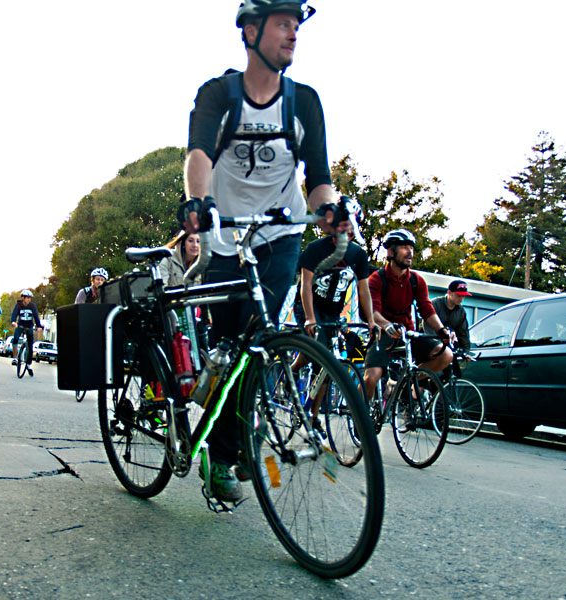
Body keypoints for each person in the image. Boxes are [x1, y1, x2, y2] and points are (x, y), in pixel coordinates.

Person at [181, 0, 348, 502]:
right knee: (228, 347)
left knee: (262, 337)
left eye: (297, 27)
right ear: (251, 32)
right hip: (223, 236)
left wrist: (331, 212)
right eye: (283, 25)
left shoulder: (305, 102)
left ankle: (242, 441)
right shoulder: (219, 94)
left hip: (280, 234)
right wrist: (198, 202)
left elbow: (318, 180)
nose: (293, 35)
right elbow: (199, 155)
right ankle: (216, 447)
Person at [295, 230, 376, 433]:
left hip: (332, 312)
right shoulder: (316, 248)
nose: (347, 232)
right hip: (309, 307)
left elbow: (363, 289)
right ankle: (292, 370)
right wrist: (310, 317)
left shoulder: (358, 254)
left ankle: (313, 417)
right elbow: (305, 284)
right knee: (318, 354)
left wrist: (371, 320)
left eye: (351, 228)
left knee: (326, 364)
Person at [363, 229, 454, 400]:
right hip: (384, 334)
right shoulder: (376, 279)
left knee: (446, 354)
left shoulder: (416, 280)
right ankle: (359, 415)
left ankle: (404, 382)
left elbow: (427, 309)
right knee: (372, 377)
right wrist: (387, 325)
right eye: (404, 247)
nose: (410, 252)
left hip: (408, 334)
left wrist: (441, 330)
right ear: (391, 252)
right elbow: (373, 312)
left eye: (411, 247)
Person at [424, 279, 472, 353]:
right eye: (458, 295)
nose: (461, 299)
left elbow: (463, 334)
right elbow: (427, 327)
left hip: (448, 347)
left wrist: (466, 351)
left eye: (463, 296)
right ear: (449, 292)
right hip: (428, 345)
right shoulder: (434, 304)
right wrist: (437, 345)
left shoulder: (461, 312)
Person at [11, 290, 43, 377]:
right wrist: (13, 322)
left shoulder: (32, 306)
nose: (28, 300)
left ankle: (28, 365)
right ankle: (14, 358)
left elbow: (36, 316)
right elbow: (14, 314)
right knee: (15, 338)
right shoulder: (18, 305)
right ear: (23, 298)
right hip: (20, 325)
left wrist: (39, 326)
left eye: (30, 298)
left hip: (29, 326)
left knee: (30, 345)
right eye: (27, 298)